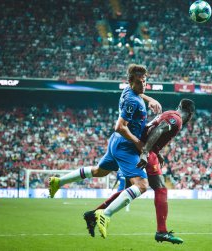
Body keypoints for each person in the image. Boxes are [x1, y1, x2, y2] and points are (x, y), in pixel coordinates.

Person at [49, 64, 162, 238]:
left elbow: (138, 94)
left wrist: (150, 99)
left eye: (145, 82)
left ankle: (59, 181)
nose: (143, 85)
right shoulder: (132, 101)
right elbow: (120, 127)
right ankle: (105, 214)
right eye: (139, 83)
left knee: (99, 172)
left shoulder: (128, 91)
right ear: (131, 82)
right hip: (125, 146)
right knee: (142, 185)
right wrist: (139, 144)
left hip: (115, 144)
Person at [84, 99, 195, 243]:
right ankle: (161, 231)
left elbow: (151, 129)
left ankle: (93, 215)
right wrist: (146, 151)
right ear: (191, 113)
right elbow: (159, 129)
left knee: (129, 190)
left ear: (179, 106)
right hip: (143, 151)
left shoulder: (169, 113)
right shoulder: (177, 119)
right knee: (160, 188)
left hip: (140, 148)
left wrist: (156, 150)